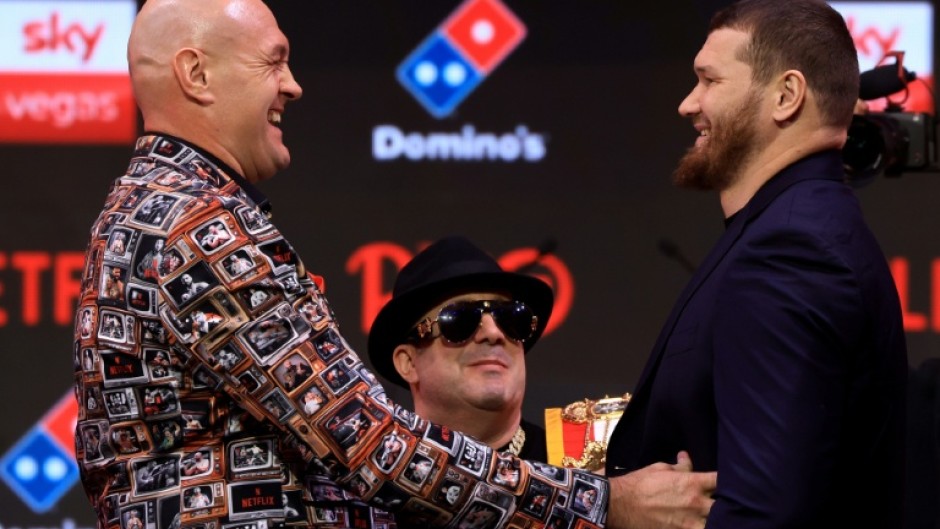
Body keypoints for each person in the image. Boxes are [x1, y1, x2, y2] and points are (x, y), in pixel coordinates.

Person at [72, 1, 713, 528]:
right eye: (274, 61)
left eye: (509, 316)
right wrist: (604, 504)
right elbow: (371, 445)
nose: (293, 84)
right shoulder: (197, 224)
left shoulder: (147, 208)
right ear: (197, 74)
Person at [604, 1, 908, 528]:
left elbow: (764, 514)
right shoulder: (790, 228)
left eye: (708, 80)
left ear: (786, 96)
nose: (686, 104)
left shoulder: (793, 249)